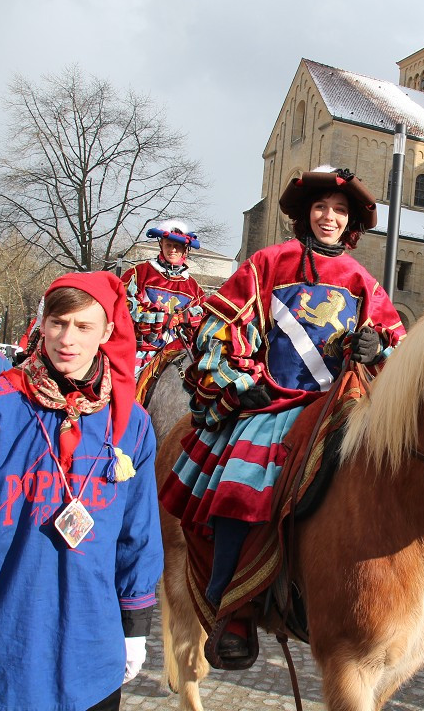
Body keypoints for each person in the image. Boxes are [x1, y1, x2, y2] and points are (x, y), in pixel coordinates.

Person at [159, 167, 405, 662]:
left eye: (339, 210)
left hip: (340, 408)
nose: (328, 217)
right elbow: (218, 327)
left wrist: (376, 346)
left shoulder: (363, 282)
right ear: (305, 214)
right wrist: (239, 384)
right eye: (320, 208)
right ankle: (236, 612)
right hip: (271, 403)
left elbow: (398, 354)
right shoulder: (268, 262)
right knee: (238, 490)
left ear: (351, 221)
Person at [0, 271, 164, 711]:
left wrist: (135, 622)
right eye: (58, 323)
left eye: (83, 326)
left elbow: (137, 530)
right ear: (41, 325)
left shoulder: (131, 423)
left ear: (106, 331)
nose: (68, 339)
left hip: (93, 654)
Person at [121, 218, 205, 377]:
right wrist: (160, 319)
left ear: (185, 250)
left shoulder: (193, 286)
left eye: (177, 246)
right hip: (139, 351)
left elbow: (203, 317)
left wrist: (185, 318)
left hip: (177, 353)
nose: (172, 250)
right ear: (161, 245)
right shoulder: (140, 273)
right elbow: (123, 305)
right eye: (168, 245)